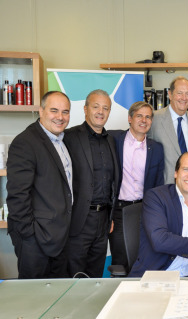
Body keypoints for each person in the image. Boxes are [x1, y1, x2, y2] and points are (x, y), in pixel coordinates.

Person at [6, 91, 73, 279]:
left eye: (65, 112)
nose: (60, 117)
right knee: (35, 299)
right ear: (41, 111)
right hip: (36, 240)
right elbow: (17, 196)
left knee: (57, 297)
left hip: (59, 236)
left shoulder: (61, 140)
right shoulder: (25, 142)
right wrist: (30, 236)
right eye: (54, 110)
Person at [129, 151, 188, 277]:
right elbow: (160, 240)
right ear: (176, 173)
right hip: (157, 277)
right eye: (186, 169)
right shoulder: (156, 197)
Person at [64, 89, 120, 278]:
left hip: (103, 220)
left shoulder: (110, 140)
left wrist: (110, 216)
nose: (100, 112)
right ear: (85, 109)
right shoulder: (69, 137)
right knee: (76, 274)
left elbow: (113, 181)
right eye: (96, 106)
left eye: (106, 108)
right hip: (79, 219)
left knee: (95, 275)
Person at [108, 101, 165, 270]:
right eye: (139, 116)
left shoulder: (156, 148)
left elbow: (157, 185)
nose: (144, 120)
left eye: (148, 117)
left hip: (143, 210)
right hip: (118, 210)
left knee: (142, 256)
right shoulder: (113, 139)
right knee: (120, 258)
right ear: (130, 119)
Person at [148, 76, 188, 184]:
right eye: (179, 93)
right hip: (164, 188)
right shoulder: (154, 119)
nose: (184, 98)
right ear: (170, 94)